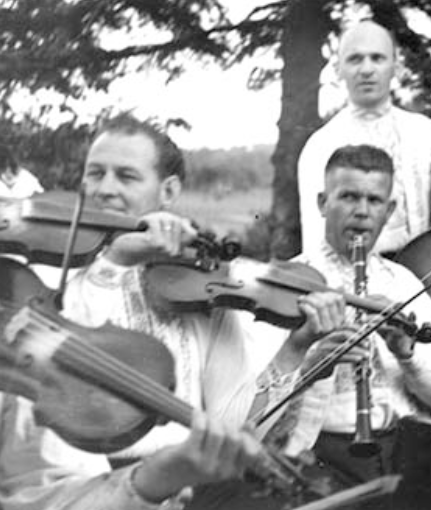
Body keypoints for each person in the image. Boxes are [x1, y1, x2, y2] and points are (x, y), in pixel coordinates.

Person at [0, 114, 348, 509]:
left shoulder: (201, 290)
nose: (104, 189)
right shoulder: (48, 275)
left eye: (126, 176)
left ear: (168, 192)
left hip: (183, 491)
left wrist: (294, 351)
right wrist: (113, 262)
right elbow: (55, 368)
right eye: (95, 173)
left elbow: (230, 425)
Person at [282, 144, 431, 484]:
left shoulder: (402, 282)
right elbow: (252, 403)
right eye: (349, 197)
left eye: (374, 201)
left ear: (390, 210)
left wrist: (407, 355)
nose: (362, 212)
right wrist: (311, 364)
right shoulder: (292, 280)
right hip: (317, 457)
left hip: (402, 450)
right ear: (323, 204)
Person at [298, 19, 431, 256]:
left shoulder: (424, 132)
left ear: (395, 68)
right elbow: (316, 244)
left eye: (377, 58)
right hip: (350, 282)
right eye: (355, 59)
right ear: (339, 70)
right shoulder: (320, 146)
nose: (367, 69)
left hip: (417, 276)